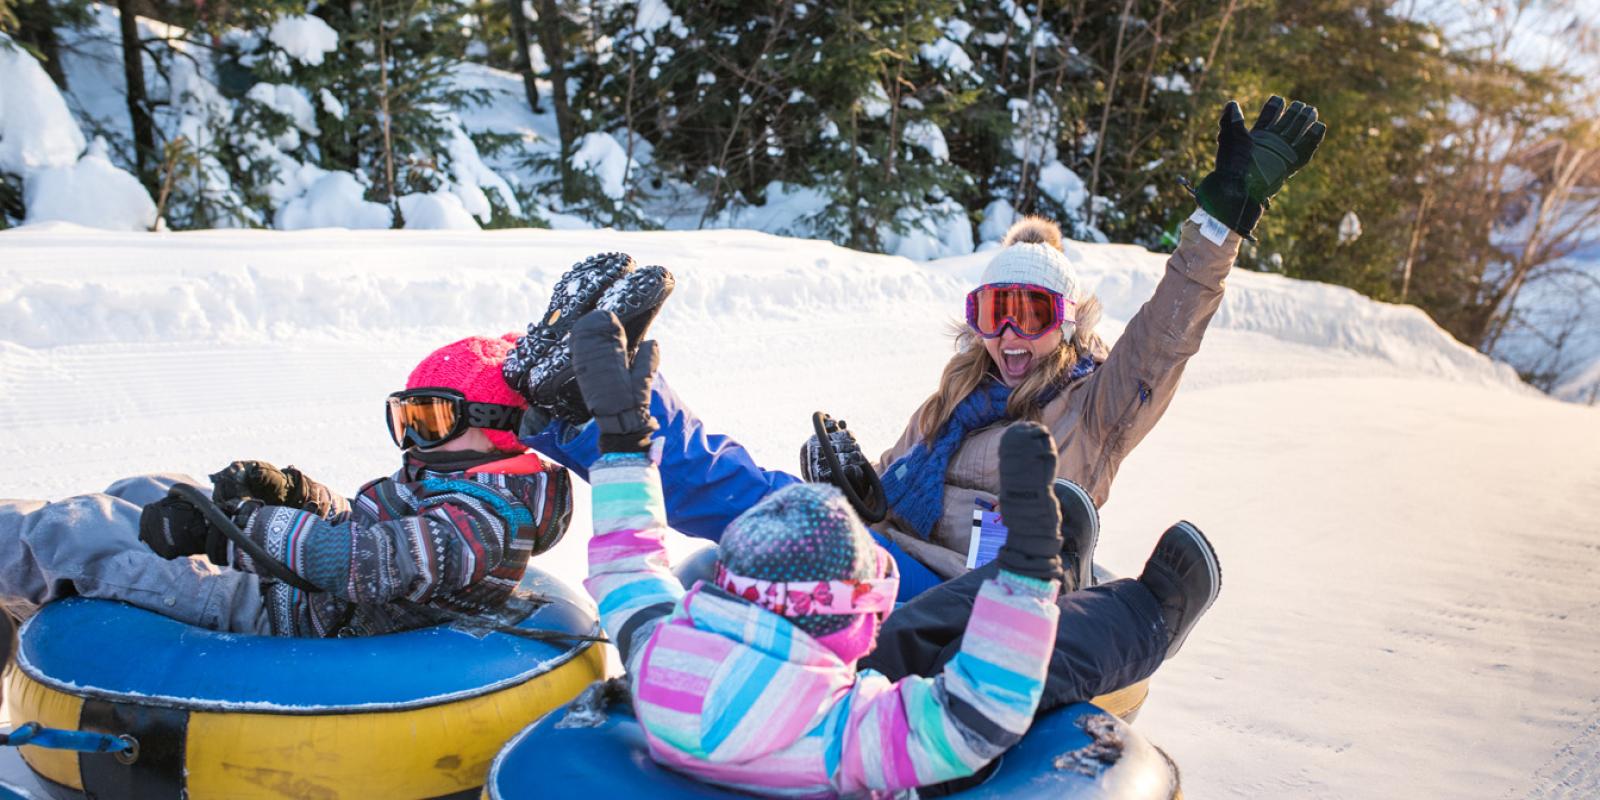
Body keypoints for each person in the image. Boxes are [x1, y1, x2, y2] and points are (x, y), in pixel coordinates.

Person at [507, 95, 1322, 602]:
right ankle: (585, 399)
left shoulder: (1102, 406)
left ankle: (596, 404)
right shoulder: (955, 399)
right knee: (761, 494)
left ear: (1065, 324)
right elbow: (892, 510)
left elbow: (1167, 336)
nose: (1007, 335)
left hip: (968, 607)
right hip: (893, 562)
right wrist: (860, 492)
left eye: (1029, 314)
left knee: (767, 513)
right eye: (992, 312)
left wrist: (1217, 228)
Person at [568, 310, 1219, 797]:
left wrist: (624, 445)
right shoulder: (839, 735)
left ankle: (1031, 573)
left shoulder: (661, 653)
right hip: (870, 769)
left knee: (910, 628)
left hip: (779, 678)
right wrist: (1024, 581)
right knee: (997, 666)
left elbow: (629, 566)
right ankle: (1145, 614)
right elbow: (977, 709)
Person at [0, 335, 573, 638]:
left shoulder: (483, 520)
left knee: (76, 530)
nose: (413, 439)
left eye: (432, 420)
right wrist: (298, 495)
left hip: (295, 614)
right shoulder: (461, 485)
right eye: (406, 418)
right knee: (156, 488)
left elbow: (369, 560)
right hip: (312, 592)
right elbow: (373, 528)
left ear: (500, 428)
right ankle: (38, 600)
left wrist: (231, 530)